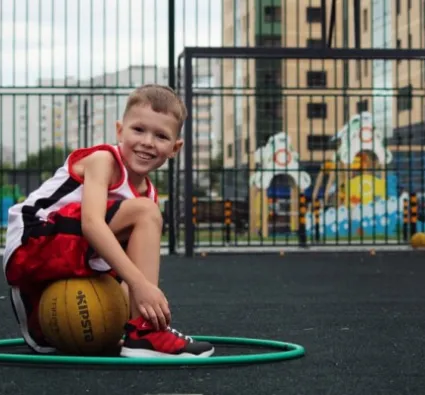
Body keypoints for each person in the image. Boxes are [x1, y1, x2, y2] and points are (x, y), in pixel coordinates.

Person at [2, 84, 215, 358]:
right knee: (144, 221)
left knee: (124, 287)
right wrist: (142, 286)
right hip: (32, 240)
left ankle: (139, 332)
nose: (148, 142)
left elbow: (127, 265)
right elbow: (92, 224)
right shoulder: (103, 160)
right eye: (138, 130)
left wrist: (125, 312)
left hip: (65, 253)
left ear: (175, 148)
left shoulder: (145, 197)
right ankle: (147, 334)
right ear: (119, 131)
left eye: (161, 136)